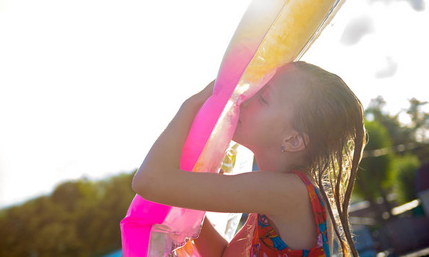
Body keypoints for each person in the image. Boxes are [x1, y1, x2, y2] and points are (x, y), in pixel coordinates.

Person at [132, 61, 366, 257]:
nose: (247, 96)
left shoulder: (285, 192)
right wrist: (192, 195)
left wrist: (194, 103)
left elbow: (147, 182)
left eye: (263, 98)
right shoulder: (275, 194)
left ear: (294, 140)